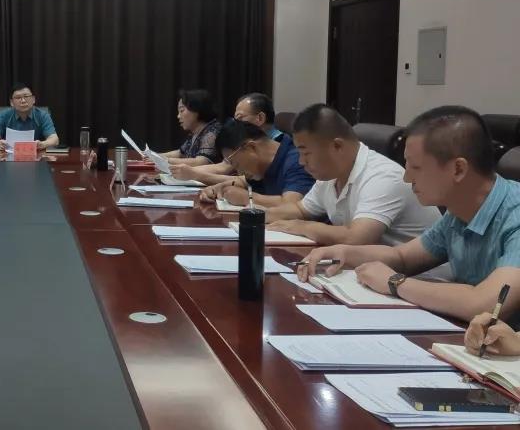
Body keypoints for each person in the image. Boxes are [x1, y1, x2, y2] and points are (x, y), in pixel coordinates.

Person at [298, 106, 520, 327]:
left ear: (458, 169)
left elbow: (486, 304)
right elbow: (403, 258)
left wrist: (395, 283)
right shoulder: (458, 213)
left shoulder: (515, 213)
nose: (406, 177)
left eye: (415, 167)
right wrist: (345, 253)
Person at [268, 104, 440, 246]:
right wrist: (258, 217)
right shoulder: (330, 175)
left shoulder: (383, 176)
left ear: (337, 146)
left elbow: (357, 238)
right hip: (371, 267)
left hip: (417, 274)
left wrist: (302, 227)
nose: (301, 161)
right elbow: (300, 209)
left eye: (306, 153)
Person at [171, 92, 283, 184]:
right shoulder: (245, 142)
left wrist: (195, 174)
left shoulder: (277, 147)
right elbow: (224, 166)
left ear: (260, 118)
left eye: (240, 118)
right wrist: (185, 172)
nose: (236, 124)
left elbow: (248, 182)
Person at [198, 120, 314, 207]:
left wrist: (248, 198)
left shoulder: (297, 160)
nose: (239, 172)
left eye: (236, 164)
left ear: (251, 147)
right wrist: (217, 188)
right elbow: (242, 181)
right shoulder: (262, 165)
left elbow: (293, 205)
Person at [0, 83, 59, 151]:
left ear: (33, 99)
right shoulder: (3, 115)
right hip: (8, 156)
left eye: (26, 96)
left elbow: (55, 140)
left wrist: (42, 144)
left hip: (36, 156)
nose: (23, 101)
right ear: (11, 102)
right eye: (18, 98)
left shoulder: (43, 115)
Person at [160, 89, 222, 166]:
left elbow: (201, 162)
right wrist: (153, 156)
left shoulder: (212, 132)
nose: (178, 116)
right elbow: (180, 153)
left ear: (197, 108)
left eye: (182, 110)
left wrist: (163, 160)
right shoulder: (196, 133)